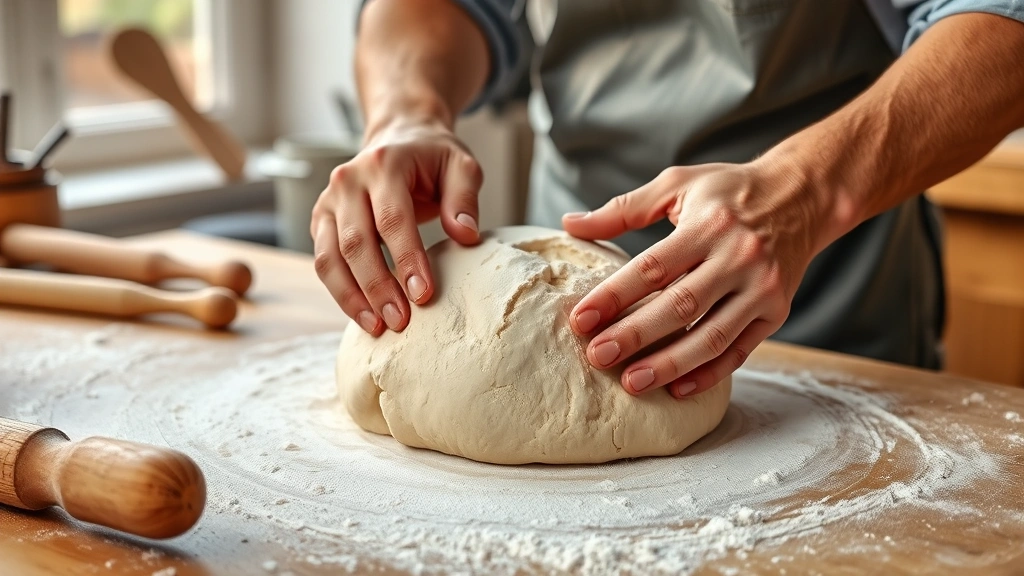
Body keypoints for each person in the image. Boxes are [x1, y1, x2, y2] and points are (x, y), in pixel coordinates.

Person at [311, 0, 1024, 399]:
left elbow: (1001, 25)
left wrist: (804, 194)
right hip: (556, 276)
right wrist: (406, 112)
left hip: (828, 308)